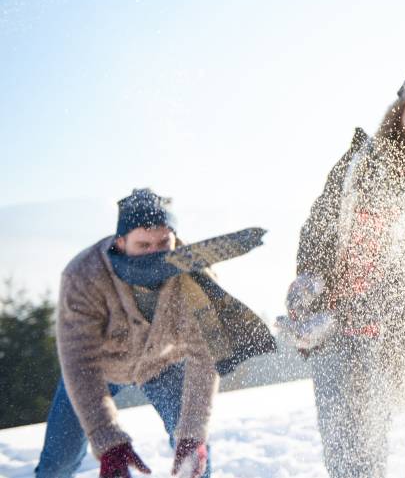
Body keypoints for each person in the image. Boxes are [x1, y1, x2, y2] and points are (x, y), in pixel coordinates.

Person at [281, 69, 405, 478]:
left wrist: (364, 311)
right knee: (345, 451)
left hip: (391, 337)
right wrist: (308, 277)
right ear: (400, 111)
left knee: (367, 442)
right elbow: (320, 223)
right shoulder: (359, 162)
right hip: (331, 327)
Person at [35, 188, 275, 478]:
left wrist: (193, 435)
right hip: (97, 370)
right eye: (143, 244)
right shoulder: (83, 275)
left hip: (162, 364)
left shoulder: (196, 275)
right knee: (57, 462)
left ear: (174, 237)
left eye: (163, 242)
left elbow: (203, 355)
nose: (154, 253)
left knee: (195, 457)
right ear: (121, 242)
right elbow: (79, 362)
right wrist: (107, 441)